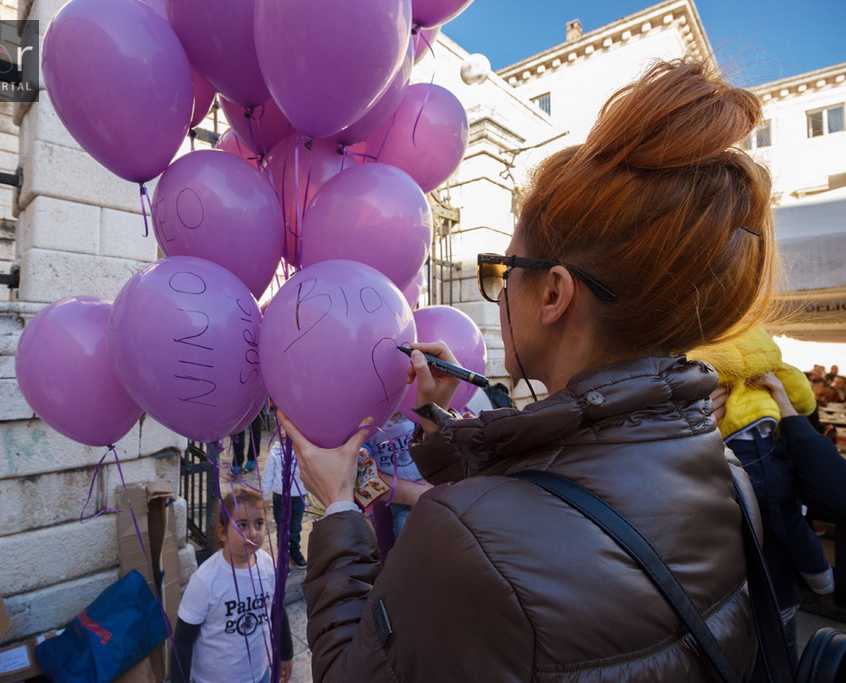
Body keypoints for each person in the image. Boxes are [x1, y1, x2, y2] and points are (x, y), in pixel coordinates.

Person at [279, 60, 776, 681]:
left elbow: (345, 672)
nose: (500, 288)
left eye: (503, 271)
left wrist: (340, 509)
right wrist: (445, 422)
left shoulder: (464, 542)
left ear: (553, 294)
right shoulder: (727, 475)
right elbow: (566, 482)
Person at [692, 328, 839, 654]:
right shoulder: (695, 402)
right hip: (713, 598)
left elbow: (834, 493)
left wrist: (787, 409)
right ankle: (814, 571)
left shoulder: (784, 410)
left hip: (763, 591)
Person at [173, 488, 294, 683]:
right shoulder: (205, 581)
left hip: (260, 674)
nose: (253, 533)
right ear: (222, 532)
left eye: (259, 523)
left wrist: (286, 654)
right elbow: (183, 641)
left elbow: (277, 610)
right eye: (242, 525)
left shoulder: (267, 565)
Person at [364, 412, 430, 538]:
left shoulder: (414, 416)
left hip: (427, 479)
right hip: (397, 500)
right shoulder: (370, 426)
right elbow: (362, 480)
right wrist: (363, 451)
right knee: (403, 524)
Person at [260, 436, 308, 570]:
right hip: (280, 496)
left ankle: (294, 551)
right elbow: (268, 474)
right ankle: (282, 556)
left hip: (298, 496)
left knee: (296, 527)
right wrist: (265, 496)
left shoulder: (303, 449)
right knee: (282, 527)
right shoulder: (275, 452)